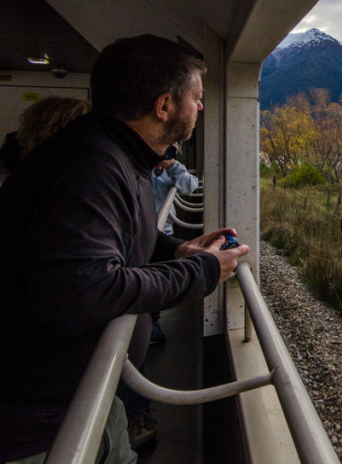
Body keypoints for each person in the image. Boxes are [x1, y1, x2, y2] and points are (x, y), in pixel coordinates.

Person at [0, 34, 249, 463]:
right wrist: (204, 271)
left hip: (89, 392)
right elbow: (82, 293)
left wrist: (176, 251)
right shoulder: (89, 165)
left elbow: (118, 240)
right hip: (40, 427)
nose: (201, 108)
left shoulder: (115, 155)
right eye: (197, 97)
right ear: (164, 105)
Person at [148, 144, 200, 346]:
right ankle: (149, 325)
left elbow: (190, 185)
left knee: (157, 278)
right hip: (138, 234)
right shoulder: (138, 167)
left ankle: (153, 322)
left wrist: (172, 165)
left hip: (163, 233)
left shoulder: (168, 170)